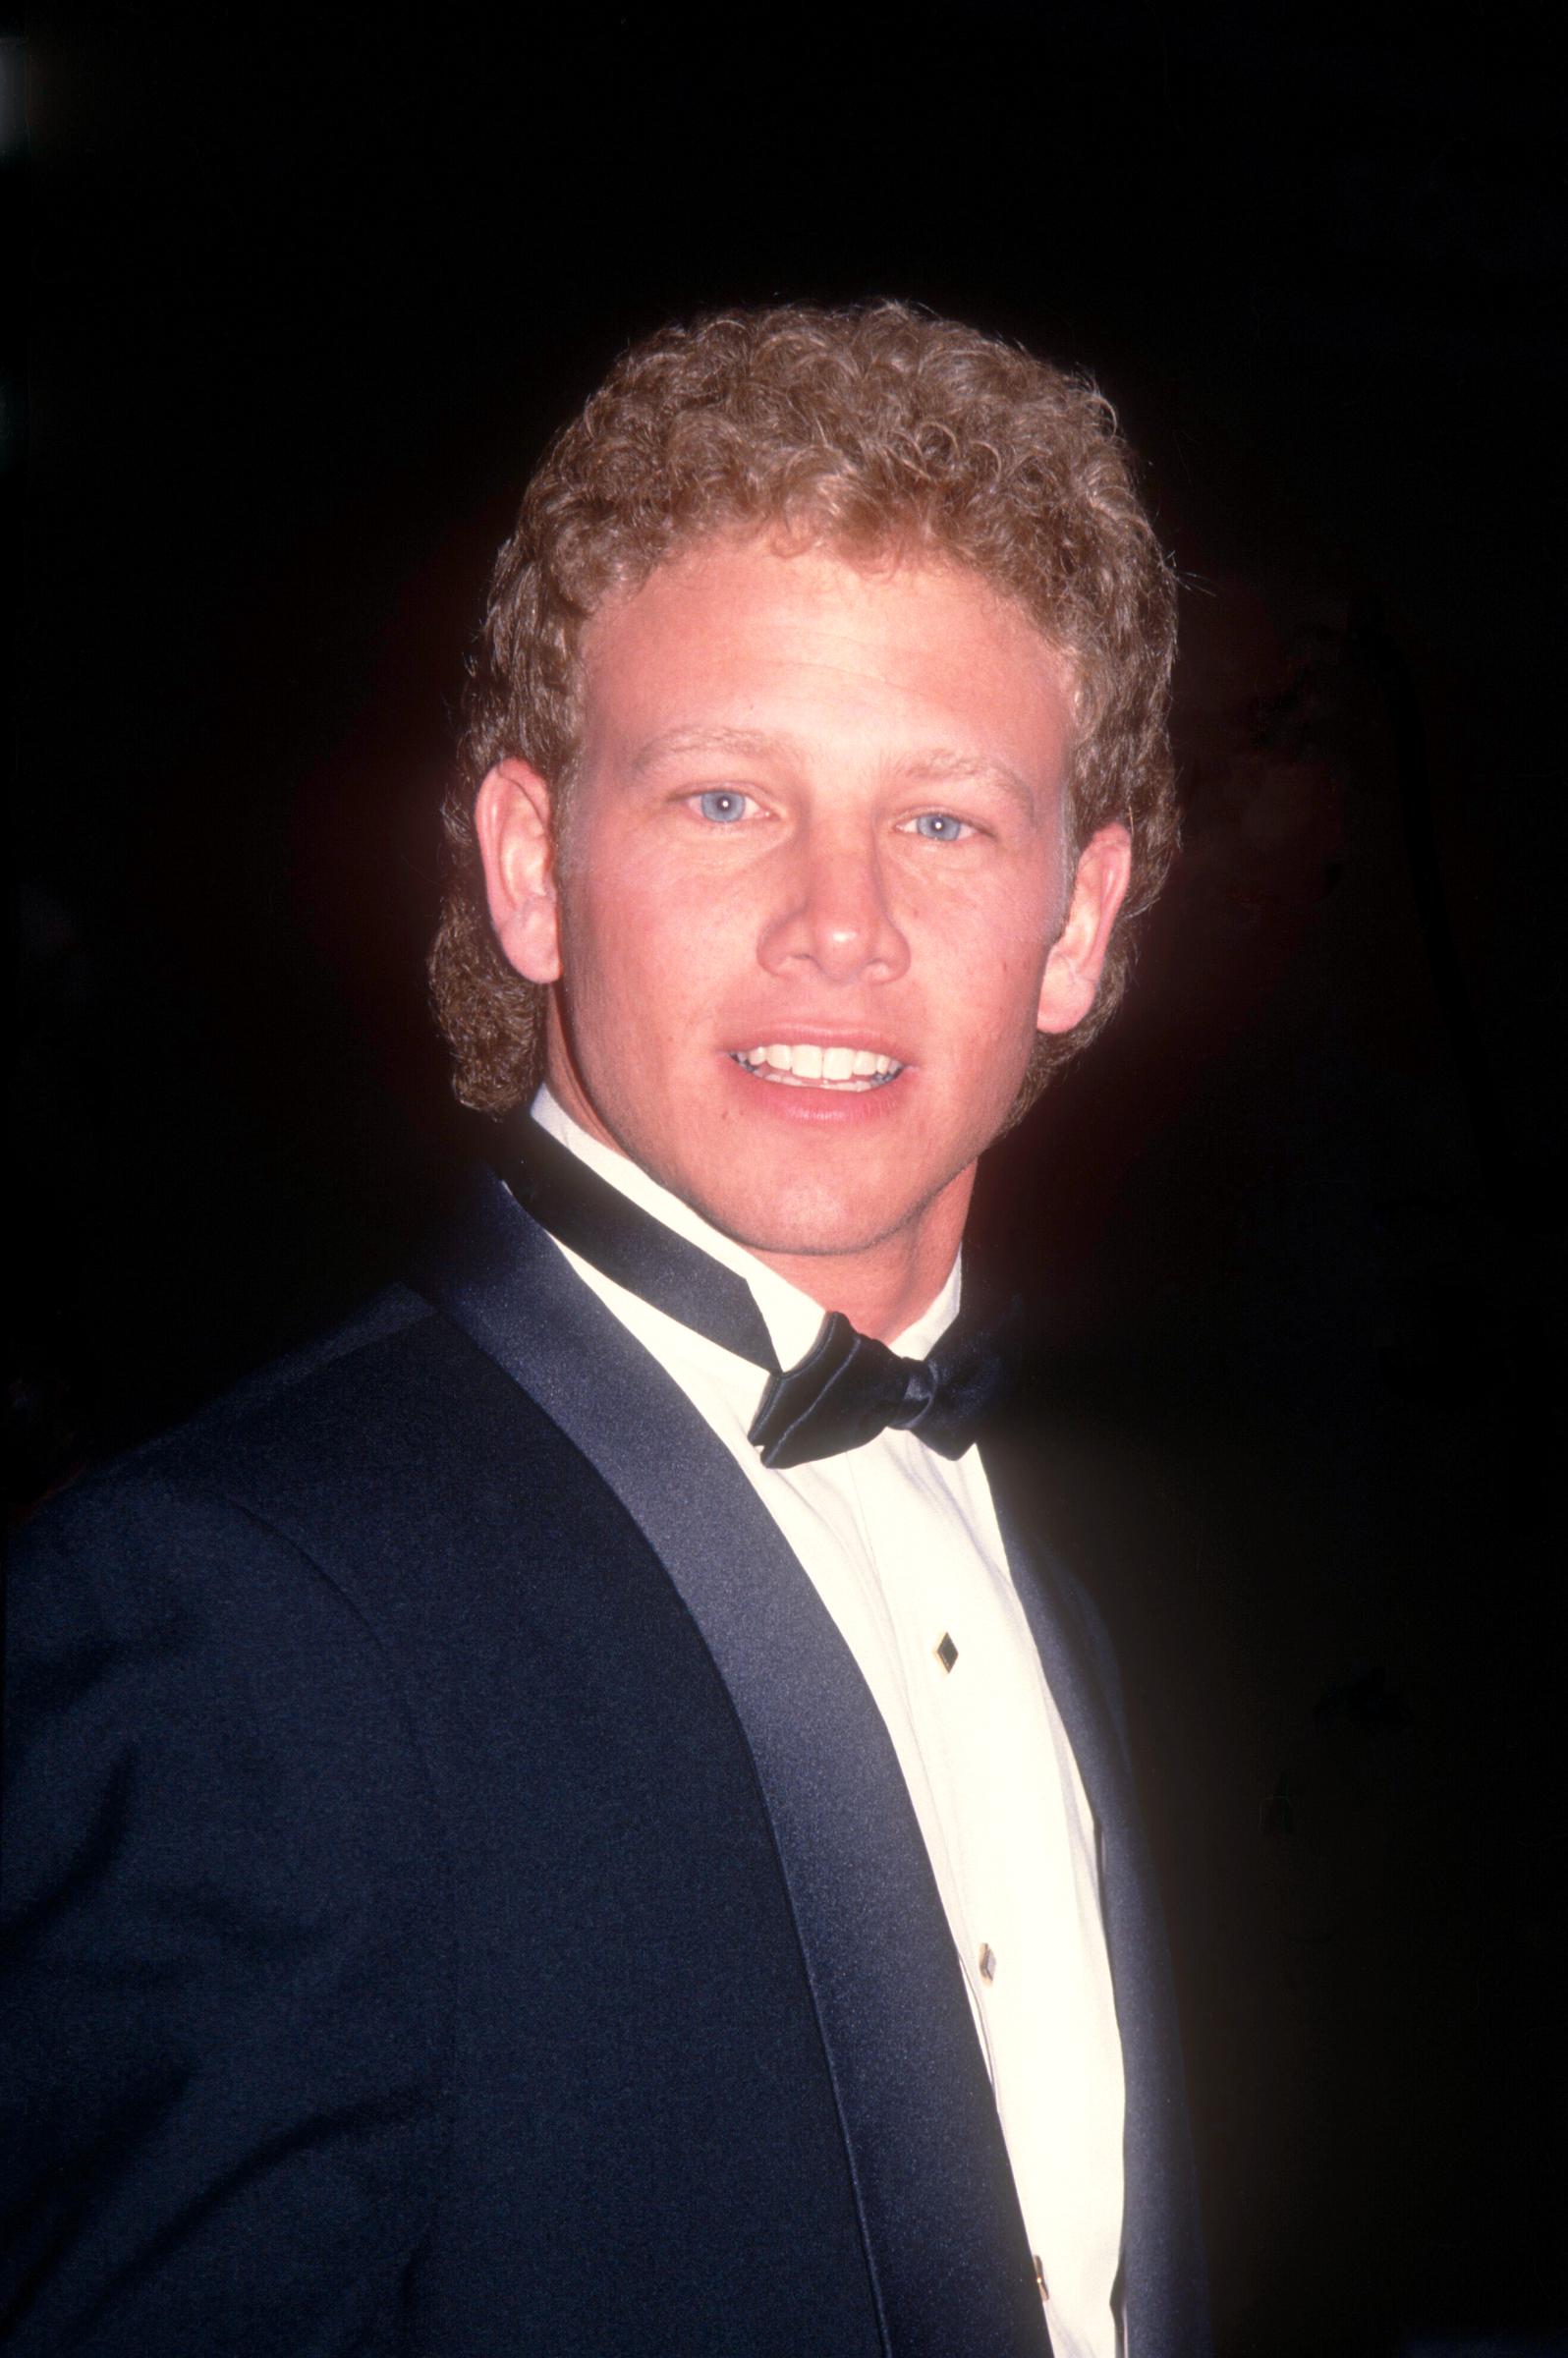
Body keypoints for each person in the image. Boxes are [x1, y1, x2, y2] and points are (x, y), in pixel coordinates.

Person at [2, 304, 1210, 2357]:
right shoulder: (227, 1608)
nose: (844, 919)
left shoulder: (1056, 1594)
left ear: (1077, 927)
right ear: (531, 870)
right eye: (726, 799)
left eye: (943, 818)